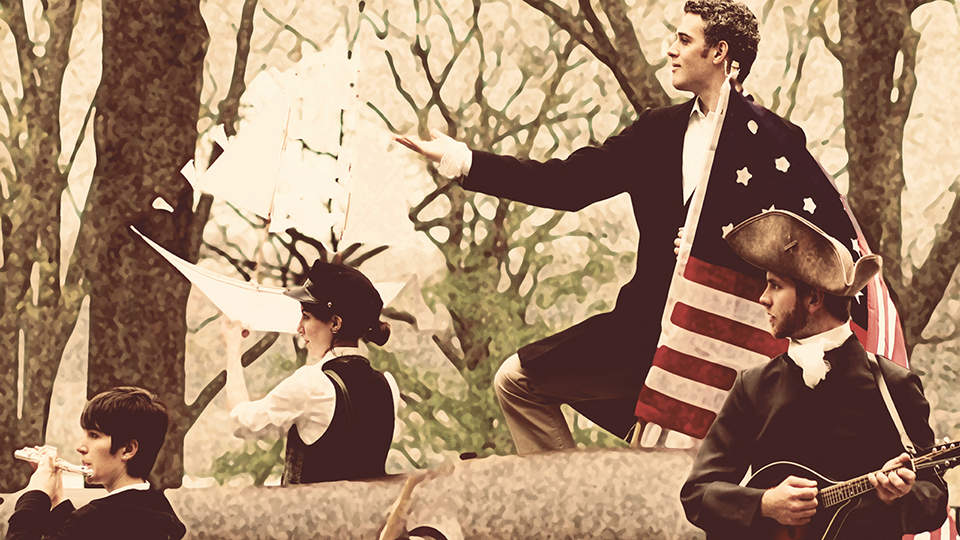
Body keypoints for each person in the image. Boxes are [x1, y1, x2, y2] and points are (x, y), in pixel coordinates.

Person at [395, 0, 764, 454]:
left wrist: (718, 246)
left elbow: (797, 250)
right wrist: (464, 160)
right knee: (515, 381)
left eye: (684, 40)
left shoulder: (776, 145)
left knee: (682, 475)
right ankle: (568, 492)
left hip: (721, 350)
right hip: (640, 335)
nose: (670, 49)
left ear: (719, 52)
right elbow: (567, 184)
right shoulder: (657, 131)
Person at [680, 210, 948, 539]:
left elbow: (933, 499)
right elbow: (698, 493)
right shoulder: (754, 385)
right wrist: (764, 504)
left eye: (775, 286)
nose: (763, 299)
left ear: (814, 298)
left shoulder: (894, 385)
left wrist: (899, 496)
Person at [224, 260, 400, 484]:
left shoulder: (311, 384)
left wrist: (232, 348)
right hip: (374, 507)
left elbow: (241, 424)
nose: (299, 328)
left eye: (306, 316)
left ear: (335, 323)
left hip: (316, 507)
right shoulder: (388, 385)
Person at [6, 386, 186, 540]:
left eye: (94, 435)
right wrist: (56, 499)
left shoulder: (94, 519)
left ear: (128, 449)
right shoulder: (159, 508)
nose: (80, 447)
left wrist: (36, 494)